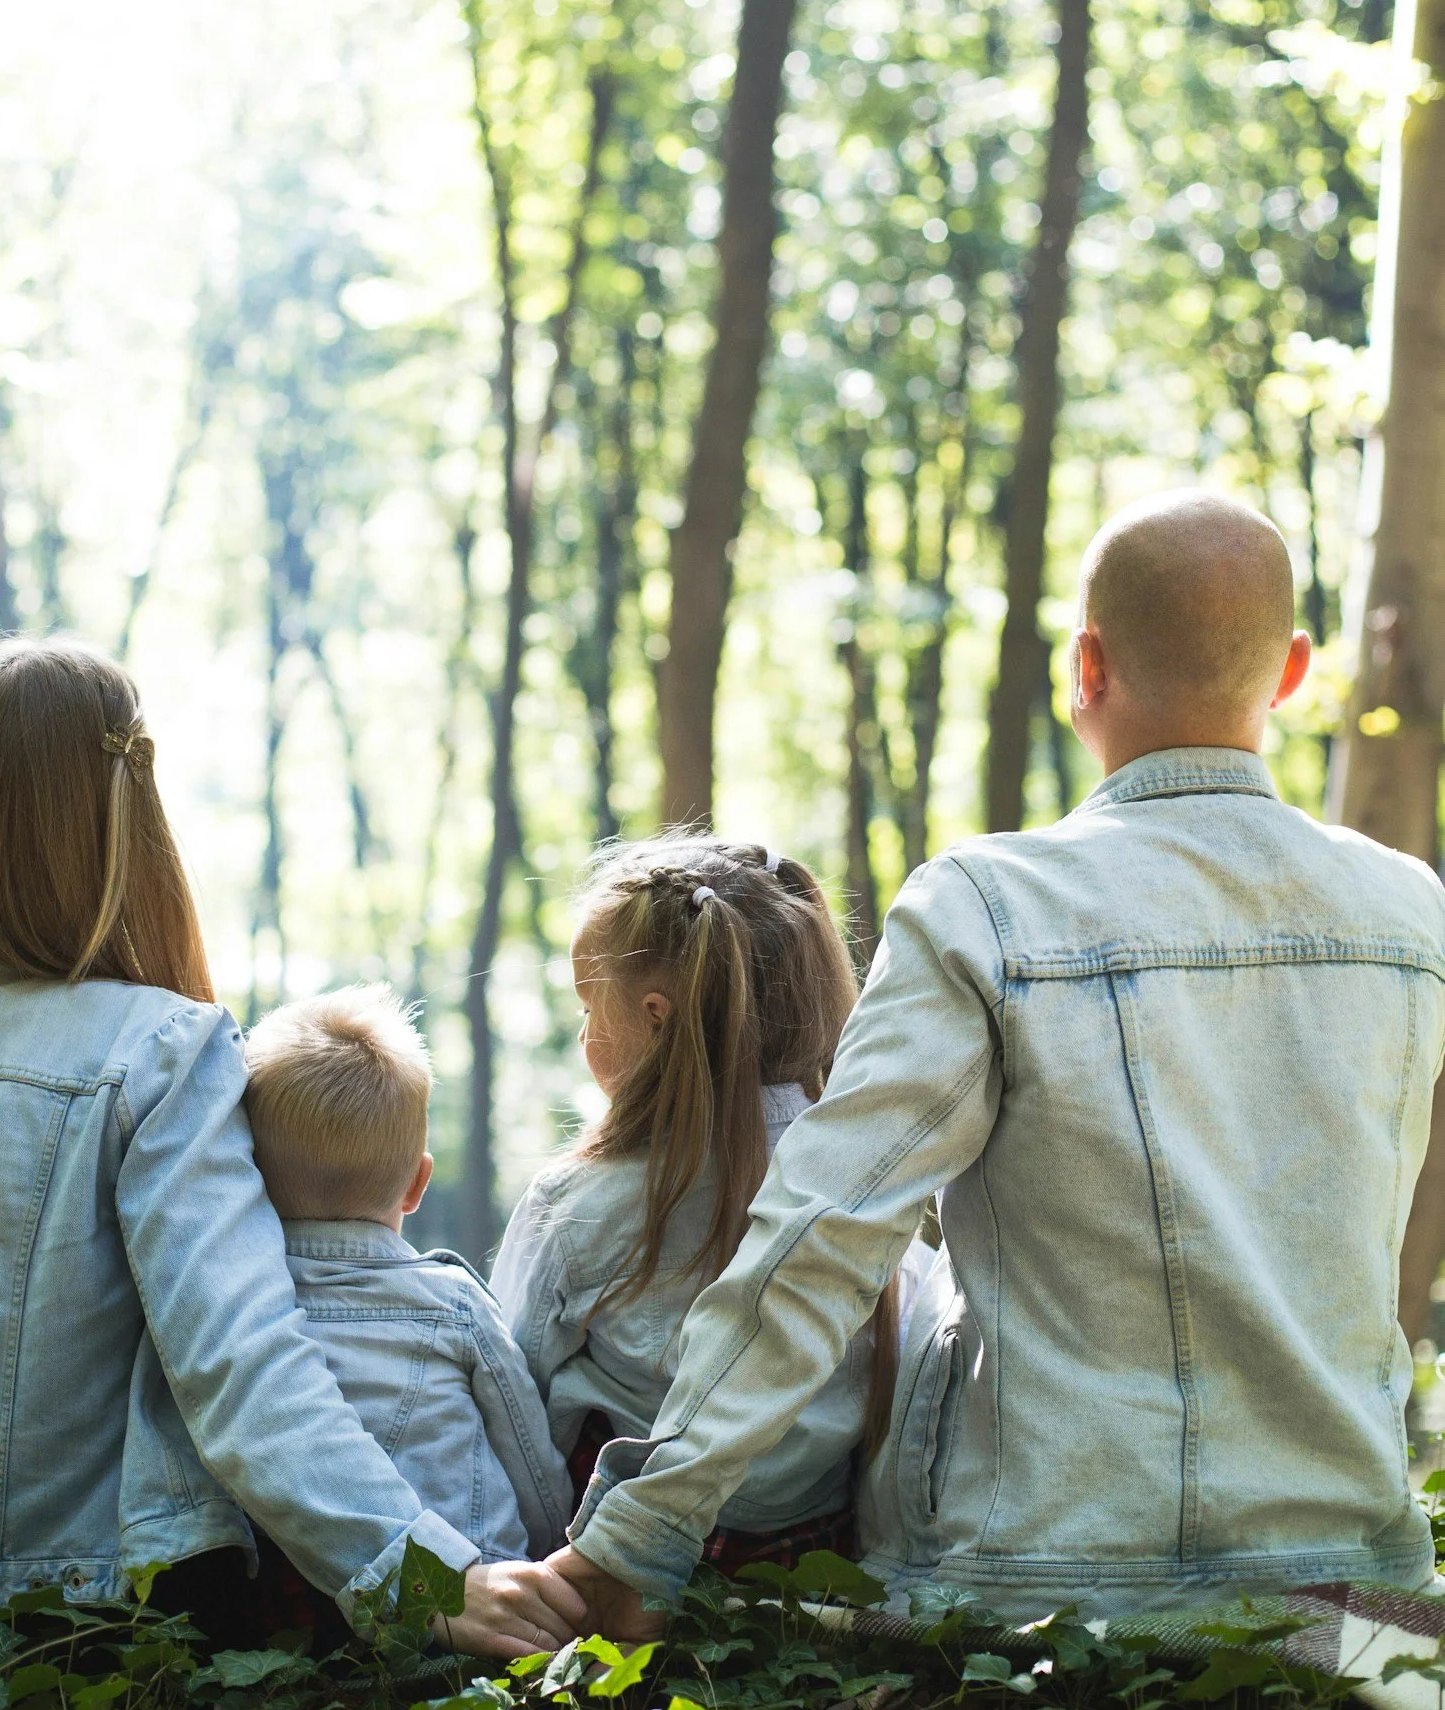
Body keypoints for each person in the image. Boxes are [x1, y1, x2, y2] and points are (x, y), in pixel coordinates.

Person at [552, 492, 1445, 1635]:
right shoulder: (1409, 912)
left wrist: (641, 1534)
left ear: (1084, 666)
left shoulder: (987, 907)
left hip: (1034, 1575)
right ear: (1291, 674)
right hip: (1350, 1581)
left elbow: (821, 1233)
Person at [0, 638, 583, 1660]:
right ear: (125, 817)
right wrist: (422, 1574)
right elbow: (239, 1361)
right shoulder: (158, 1049)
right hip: (105, 1624)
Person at [493, 836, 928, 1573]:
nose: (581, 1033)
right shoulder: (870, 1185)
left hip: (611, 1565)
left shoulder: (576, 1202)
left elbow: (511, 1395)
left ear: (655, 1018)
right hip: (815, 1560)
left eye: (589, 1008)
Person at [243, 986, 569, 1572]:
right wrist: (548, 1552)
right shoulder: (454, 1304)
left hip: (298, 1608)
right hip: (473, 1593)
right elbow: (532, 1466)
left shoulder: (236, 1309)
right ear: (418, 1185)